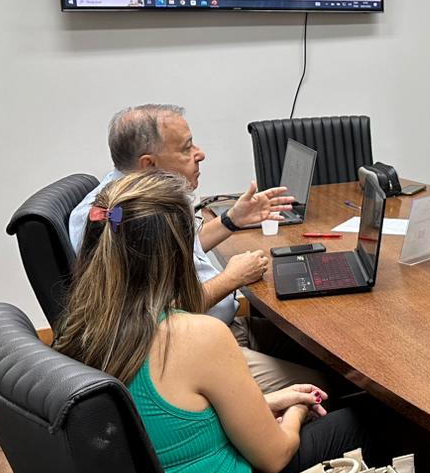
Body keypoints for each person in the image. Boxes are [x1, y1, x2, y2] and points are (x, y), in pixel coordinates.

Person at [55, 170, 374, 473]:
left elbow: (168, 419)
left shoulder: (78, 328)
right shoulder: (194, 335)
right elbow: (276, 457)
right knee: (356, 422)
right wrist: (298, 410)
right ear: (176, 254)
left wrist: (270, 402)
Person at [69, 104, 316, 392]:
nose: (200, 154)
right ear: (149, 165)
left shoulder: (144, 199)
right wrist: (232, 278)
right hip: (184, 356)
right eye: (186, 149)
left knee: (318, 348)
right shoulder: (121, 219)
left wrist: (231, 220)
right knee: (324, 382)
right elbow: (156, 319)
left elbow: (179, 252)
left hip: (219, 329)